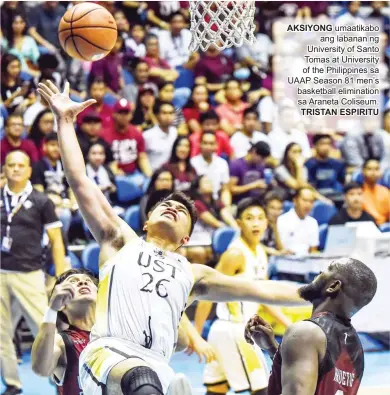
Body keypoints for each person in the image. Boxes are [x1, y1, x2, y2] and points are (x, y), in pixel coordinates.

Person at [37, 80, 303, 395]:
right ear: (147, 222)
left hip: (157, 364)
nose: (174, 208)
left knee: (151, 379)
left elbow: (261, 289)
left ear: (185, 238)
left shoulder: (192, 273)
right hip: (108, 355)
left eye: (182, 211)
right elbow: (80, 180)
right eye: (167, 205)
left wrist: (316, 291)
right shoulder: (121, 241)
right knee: (142, 380)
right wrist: (65, 123)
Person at [195, 198, 291, 395]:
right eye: (249, 218)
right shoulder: (235, 254)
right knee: (264, 389)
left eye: (259, 218)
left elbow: (263, 296)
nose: (255, 223)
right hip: (234, 331)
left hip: (233, 332)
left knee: (217, 389)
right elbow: (206, 292)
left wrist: (288, 324)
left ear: (267, 222)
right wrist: (196, 335)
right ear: (238, 223)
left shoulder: (261, 253)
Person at [245, 257, 378, 395]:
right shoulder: (355, 345)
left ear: (333, 286)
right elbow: (317, 380)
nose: (320, 271)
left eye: (328, 269)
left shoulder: (305, 332)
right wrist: (273, 349)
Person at [0, 150, 67, 395]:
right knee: (0, 333)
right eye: (11, 164)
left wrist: (61, 277)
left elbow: (56, 241)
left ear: (29, 170)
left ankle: (61, 376)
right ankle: (12, 383)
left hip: (29, 275)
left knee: (45, 330)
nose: (16, 168)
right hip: (0, 273)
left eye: (21, 164)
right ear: (4, 169)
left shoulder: (41, 201)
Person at [31, 269, 98, 395]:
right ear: (62, 304)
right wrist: (51, 310)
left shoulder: (115, 334)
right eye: (73, 282)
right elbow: (41, 369)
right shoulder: (62, 342)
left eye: (87, 281)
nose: (82, 282)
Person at [31, 132, 76, 235]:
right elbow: (38, 193)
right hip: (49, 204)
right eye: (52, 145)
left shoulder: (66, 166)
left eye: (59, 145)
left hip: (66, 203)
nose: (56, 149)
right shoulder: (38, 166)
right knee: (64, 214)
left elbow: (71, 188)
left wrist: (73, 203)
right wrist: (57, 203)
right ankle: (61, 244)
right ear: (44, 147)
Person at [102, 99, 152, 187]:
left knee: (149, 183)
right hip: (113, 174)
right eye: (120, 113)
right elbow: (104, 160)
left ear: (131, 115)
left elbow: (142, 157)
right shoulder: (104, 135)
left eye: (126, 113)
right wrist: (115, 171)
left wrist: (149, 175)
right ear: (114, 114)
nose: (123, 116)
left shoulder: (136, 133)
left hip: (133, 173)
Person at [191, 131, 232, 206]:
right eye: (205, 143)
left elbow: (225, 189)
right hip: (197, 202)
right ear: (199, 144)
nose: (208, 146)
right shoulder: (192, 163)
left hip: (217, 202)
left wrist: (227, 207)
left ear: (216, 145)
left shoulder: (222, 163)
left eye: (211, 143)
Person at [277, 187, 319, 255]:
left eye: (311, 201)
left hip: (308, 262)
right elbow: (280, 249)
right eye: (305, 200)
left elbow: (313, 250)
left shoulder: (313, 223)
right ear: (295, 201)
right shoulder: (282, 220)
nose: (308, 204)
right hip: (287, 260)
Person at [305, 134, 346, 199]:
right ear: (315, 146)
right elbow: (310, 187)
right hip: (317, 198)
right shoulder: (309, 165)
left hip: (337, 197)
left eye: (328, 144)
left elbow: (343, 183)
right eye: (322, 144)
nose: (326, 147)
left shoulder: (338, 164)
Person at [144, 101, 178, 171]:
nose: (168, 116)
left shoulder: (174, 132)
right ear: (157, 115)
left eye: (171, 113)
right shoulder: (147, 135)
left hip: (171, 174)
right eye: (164, 113)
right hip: (153, 174)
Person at [361, 158, 390, 225]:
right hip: (366, 226)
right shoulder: (358, 192)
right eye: (369, 169)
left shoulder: (385, 191)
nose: (373, 172)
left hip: (385, 228)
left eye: (377, 169)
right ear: (363, 171)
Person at [261, 191, 289, 256]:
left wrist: (275, 228)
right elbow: (253, 244)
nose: (276, 212)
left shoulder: (278, 224)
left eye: (279, 209)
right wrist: (271, 251)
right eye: (272, 208)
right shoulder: (258, 222)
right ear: (265, 208)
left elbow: (280, 249)